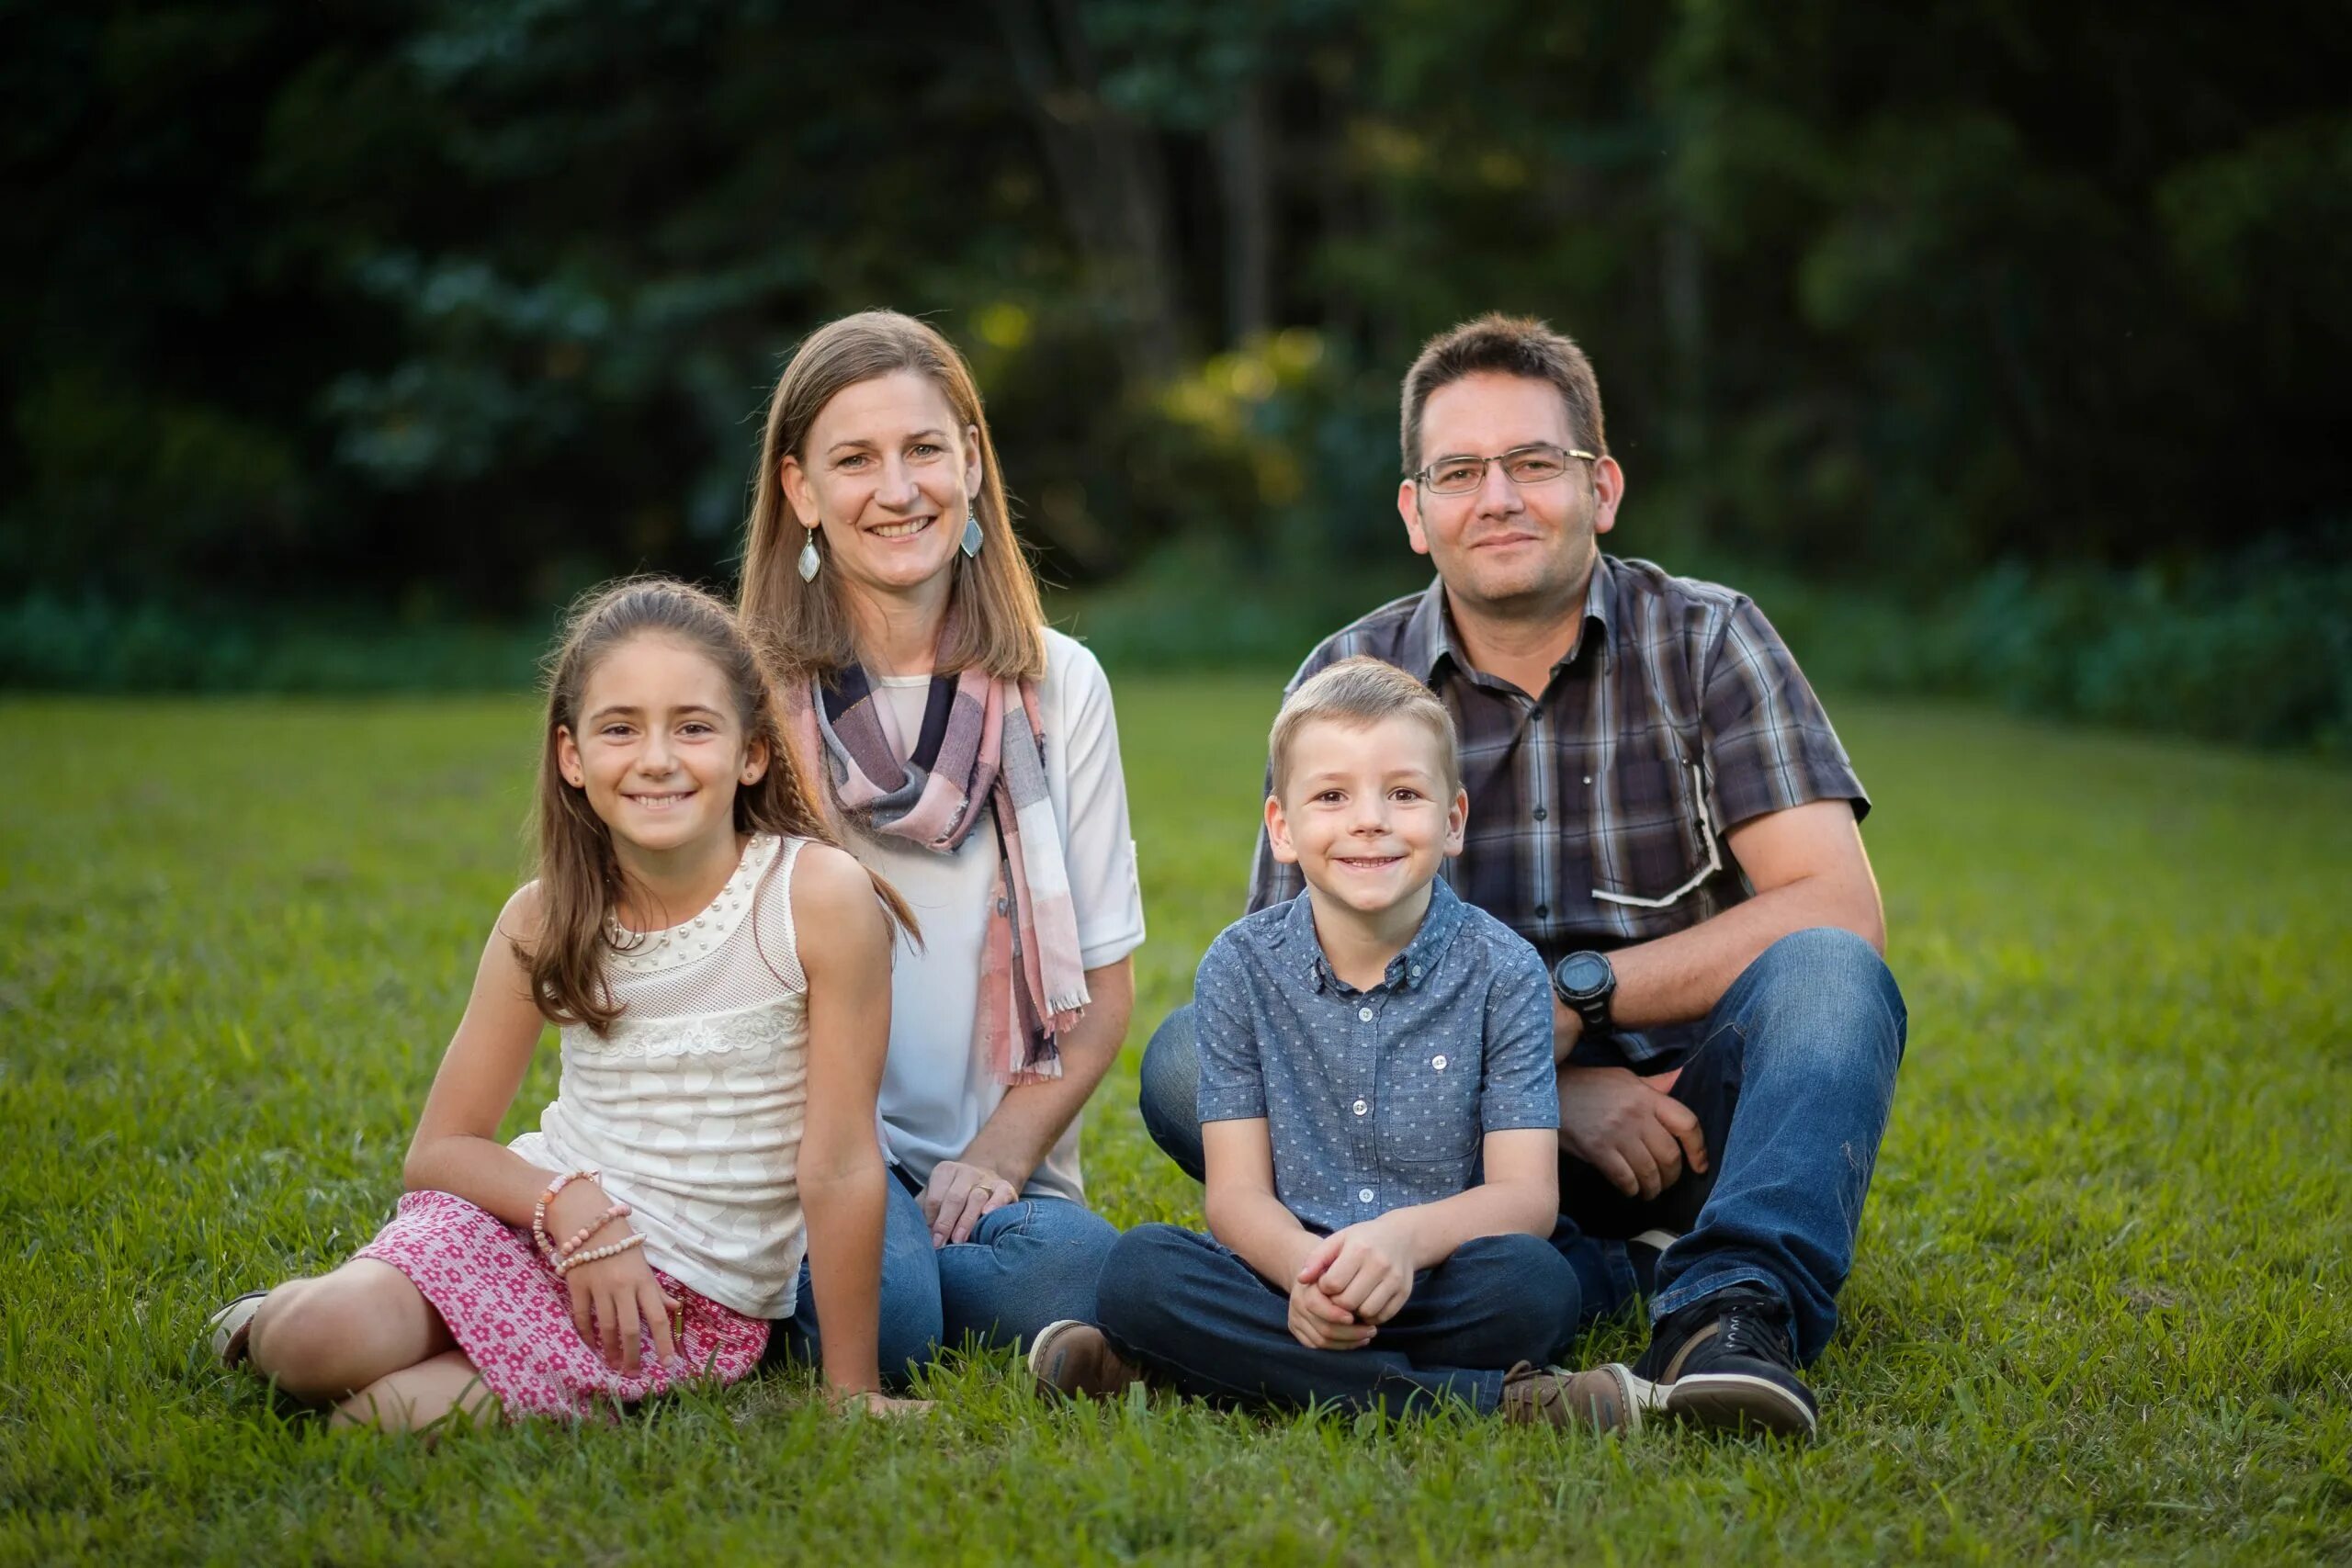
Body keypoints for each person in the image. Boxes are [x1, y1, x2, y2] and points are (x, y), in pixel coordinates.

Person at [1137, 314, 1906, 1438]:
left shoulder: (1709, 640)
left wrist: (1571, 1006)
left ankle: (1729, 1312)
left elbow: (1835, 903)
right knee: (1187, 1056)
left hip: (1679, 1125)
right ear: (1415, 511)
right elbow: (1285, 998)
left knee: (1832, 977)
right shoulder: (1347, 680)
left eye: (1532, 464)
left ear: (1600, 488)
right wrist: (1540, 1100)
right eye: (1459, 472)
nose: (1496, 497)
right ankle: (1563, 1278)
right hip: (1426, 1148)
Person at [205, 579, 924, 1427]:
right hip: (536, 1220)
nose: (656, 758)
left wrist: (851, 1390)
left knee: (369, 1421)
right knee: (312, 1345)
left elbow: (839, 1162)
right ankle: (274, 1314)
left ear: (753, 751)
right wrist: (573, 1207)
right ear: (572, 756)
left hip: (681, 1295)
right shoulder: (544, 916)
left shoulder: (816, 898)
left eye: (693, 727)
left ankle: (520, 1370)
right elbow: (441, 1149)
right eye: (620, 728)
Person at [1032, 660, 1646, 1426]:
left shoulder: (1505, 970)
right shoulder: (1240, 966)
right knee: (1139, 1271)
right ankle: (1489, 1403)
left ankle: (1196, 1369)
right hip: (1283, 1270)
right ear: (1282, 828)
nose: (1369, 820)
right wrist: (1301, 1273)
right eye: (1331, 795)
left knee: (1536, 1285)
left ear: (1453, 820)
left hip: (1437, 1272)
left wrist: (1399, 1242)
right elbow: (1236, 1194)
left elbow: (1524, 1196)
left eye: (1403, 793)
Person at [739, 310, 1144, 1371]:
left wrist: (997, 1157)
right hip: (801, 1152)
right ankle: (876, 1275)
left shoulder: (1061, 684)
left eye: (924, 449)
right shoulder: (743, 697)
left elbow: (1102, 996)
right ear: (800, 492)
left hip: (990, 1167)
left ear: (970, 460)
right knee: (901, 1321)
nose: (899, 488)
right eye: (854, 460)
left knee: (1087, 1270)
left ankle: (876, 1276)